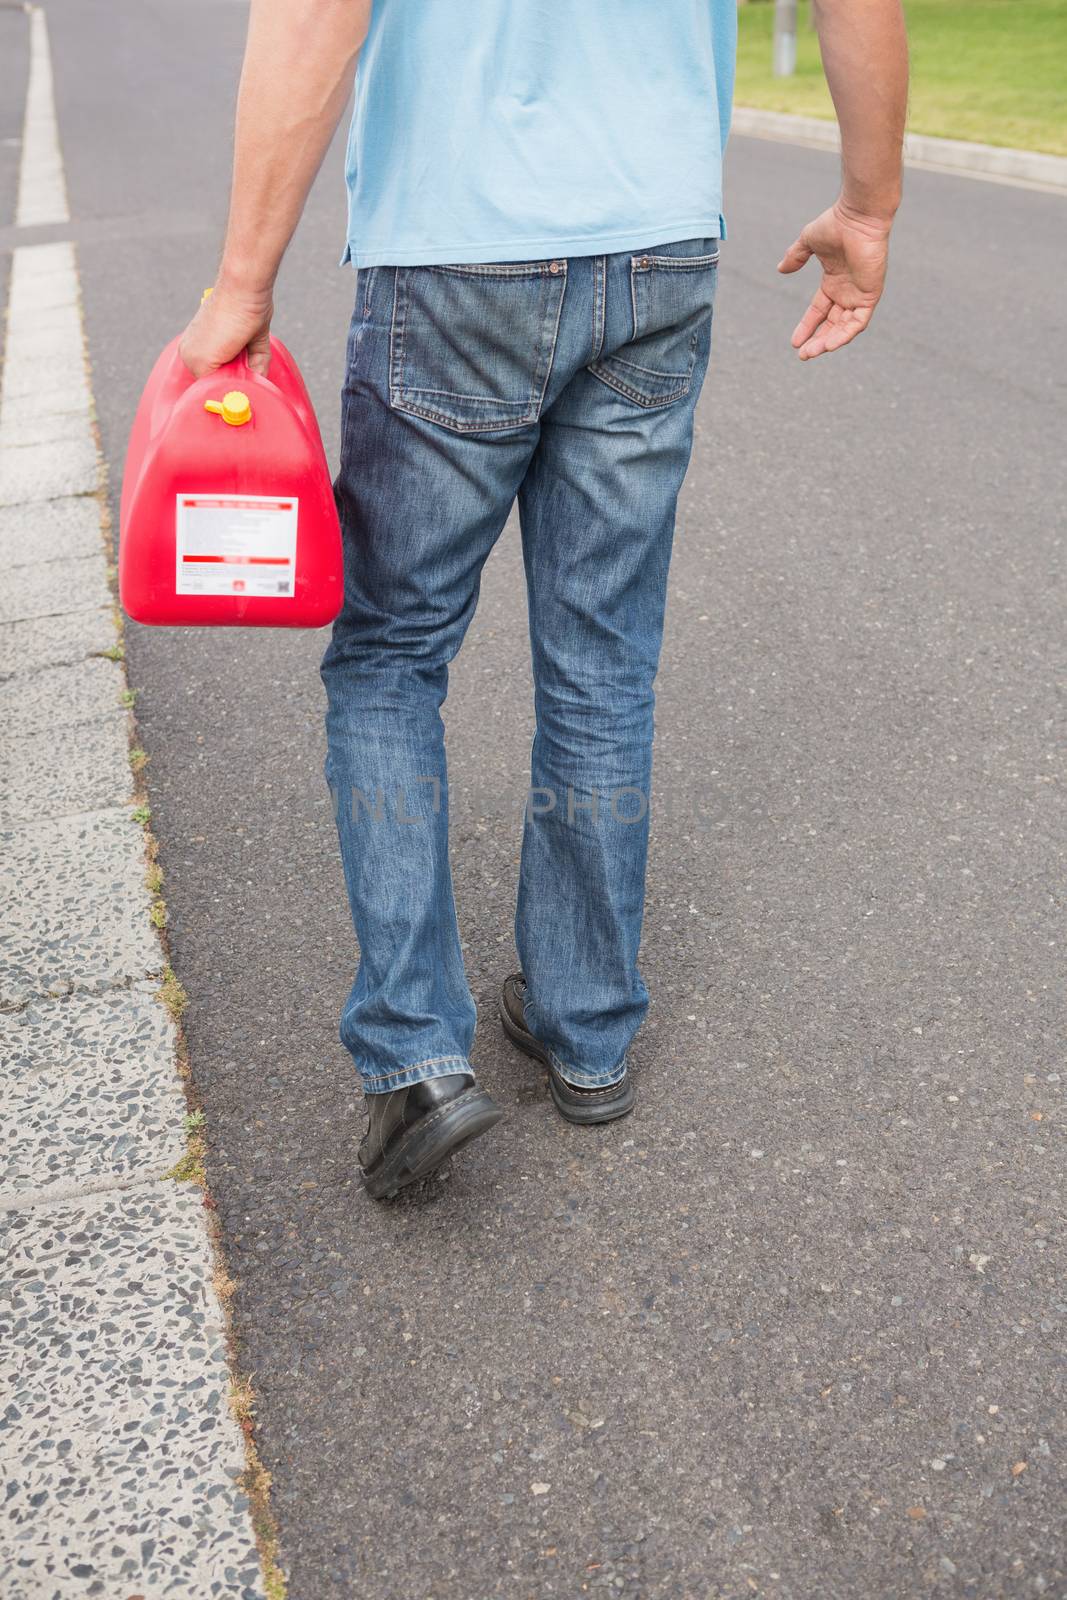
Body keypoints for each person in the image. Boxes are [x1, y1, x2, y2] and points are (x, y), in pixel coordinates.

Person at [180, 0, 908, 1199]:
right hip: (657, 250)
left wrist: (239, 283)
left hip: (454, 245)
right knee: (603, 652)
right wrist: (867, 205)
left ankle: (415, 1055)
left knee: (392, 655)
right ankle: (586, 1028)